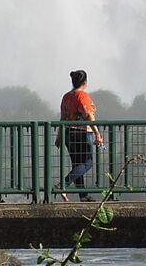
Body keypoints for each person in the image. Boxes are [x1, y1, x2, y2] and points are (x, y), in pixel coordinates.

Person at [54, 70, 103, 202]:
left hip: (69, 133)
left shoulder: (66, 97)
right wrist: (97, 133)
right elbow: (88, 116)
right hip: (82, 132)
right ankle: (63, 184)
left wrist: (59, 136)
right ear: (85, 82)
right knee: (87, 163)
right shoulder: (82, 96)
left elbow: (63, 118)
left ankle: (83, 195)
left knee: (77, 163)